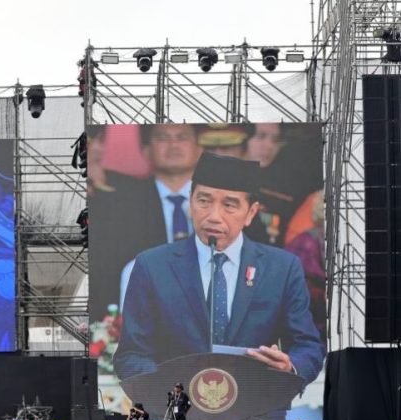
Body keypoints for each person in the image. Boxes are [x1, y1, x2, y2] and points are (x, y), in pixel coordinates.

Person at [114, 152, 326, 386]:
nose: (214, 216)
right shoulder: (152, 266)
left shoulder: (282, 268)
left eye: (229, 205)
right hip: (176, 413)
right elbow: (130, 355)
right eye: (203, 201)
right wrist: (171, 388)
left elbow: (308, 347)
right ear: (190, 202)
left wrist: (289, 366)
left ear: (251, 213)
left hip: (256, 412)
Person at [90, 124, 202, 319]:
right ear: (146, 150)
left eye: (182, 137)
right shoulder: (118, 202)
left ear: (200, 148)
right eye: (163, 138)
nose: (173, 145)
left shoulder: (224, 201)